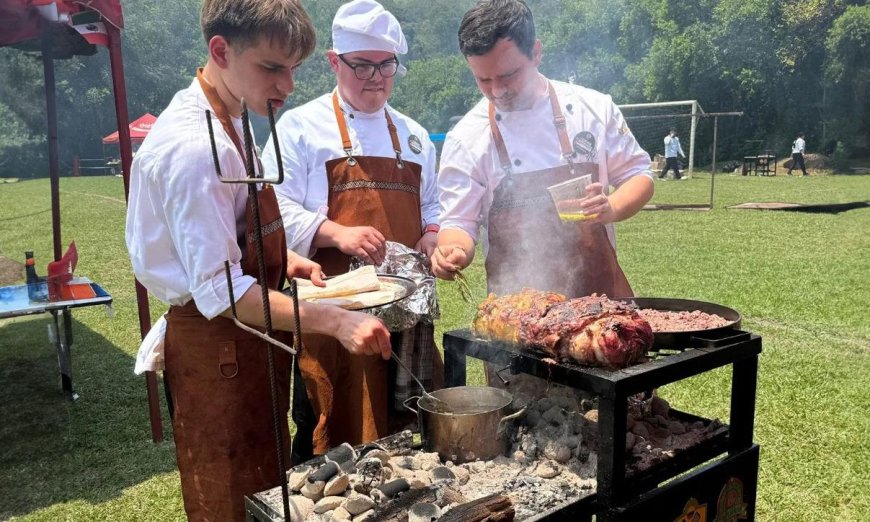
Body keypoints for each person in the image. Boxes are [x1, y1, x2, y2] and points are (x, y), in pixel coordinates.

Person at [124, 1, 391, 520]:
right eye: (272, 67)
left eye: (293, 69)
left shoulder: (233, 113)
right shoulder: (195, 149)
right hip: (217, 347)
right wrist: (335, 319)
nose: (288, 86)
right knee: (231, 498)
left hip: (251, 343)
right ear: (220, 51)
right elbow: (222, 293)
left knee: (267, 488)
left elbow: (230, 230)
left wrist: (282, 256)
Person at [262, 0, 443, 461]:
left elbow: (433, 206)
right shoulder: (300, 127)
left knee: (406, 421)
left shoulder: (415, 134)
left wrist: (432, 232)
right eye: (361, 65)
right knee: (329, 422)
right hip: (332, 307)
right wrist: (332, 232)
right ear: (333, 62)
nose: (375, 77)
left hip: (407, 313)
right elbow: (269, 209)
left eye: (386, 66)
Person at [433, 0, 653, 302]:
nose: (497, 90)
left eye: (508, 75)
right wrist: (452, 249)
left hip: (603, 302)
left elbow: (639, 176)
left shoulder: (592, 109)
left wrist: (611, 207)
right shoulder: (467, 138)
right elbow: (458, 222)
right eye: (483, 80)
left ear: (536, 52)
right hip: (518, 315)